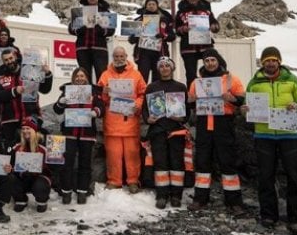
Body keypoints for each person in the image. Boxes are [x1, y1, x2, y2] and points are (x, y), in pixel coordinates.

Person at [242, 47, 297, 234]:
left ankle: (296, 217)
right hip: (263, 135)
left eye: (274, 60)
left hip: (289, 134)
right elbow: (246, 103)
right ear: (262, 63)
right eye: (267, 61)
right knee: (265, 177)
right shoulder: (254, 82)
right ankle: (268, 215)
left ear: (279, 62)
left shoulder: (291, 79)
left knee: (293, 176)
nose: (270, 63)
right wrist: (245, 109)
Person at [186, 49, 246, 215]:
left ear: (219, 61)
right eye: (207, 61)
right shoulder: (196, 82)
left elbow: (242, 99)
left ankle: (234, 202)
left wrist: (231, 98)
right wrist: (192, 100)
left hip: (223, 123)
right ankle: (200, 199)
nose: (210, 63)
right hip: (204, 123)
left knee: (227, 162)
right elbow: (189, 102)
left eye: (212, 60)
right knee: (203, 161)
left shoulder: (230, 79)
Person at [97, 47, 147, 193]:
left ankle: (133, 181)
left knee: (132, 154)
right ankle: (114, 181)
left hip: (130, 121)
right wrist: (104, 93)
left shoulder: (136, 75)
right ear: (113, 57)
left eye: (121, 56)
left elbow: (143, 94)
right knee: (113, 154)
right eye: (116, 56)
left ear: (126, 56)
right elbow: (100, 99)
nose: (119, 58)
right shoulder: (105, 75)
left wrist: (136, 105)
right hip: (112, 123)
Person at [52, 67, 105, 204]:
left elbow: (102, 107)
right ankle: (66, 192)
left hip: (87, 133)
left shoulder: (93, 91)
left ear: (86, 77)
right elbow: (57, 110)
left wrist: (95, 112)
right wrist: (61, 102)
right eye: (77, 76)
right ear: (73, 78)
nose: (79, 78)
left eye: (82, 76)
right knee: (67, 163)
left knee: (85, 163)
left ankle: (82, 191)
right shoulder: (67, 90)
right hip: (69, 133)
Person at [141, 57, 187, 208]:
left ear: (172, 68)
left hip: (176, 130)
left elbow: (187, 111)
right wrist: (149, 119)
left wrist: (182, 117)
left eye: (167, 66)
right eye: (161, 66)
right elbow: (145, 110)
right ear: (158, 69)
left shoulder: (181, 87)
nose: (165, 68)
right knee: (160, 163)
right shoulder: (151, 87)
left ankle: (176, 195)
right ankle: (161, 195)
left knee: (177, 163)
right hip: (158, 130)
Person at [0, 49, 53, 148]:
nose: (9, 61)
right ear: (3, 62)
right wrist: (14, 91)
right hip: (9, 120)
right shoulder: (0, 78)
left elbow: (45, 89)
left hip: (31, 118)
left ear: (15, 57)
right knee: (11, 151)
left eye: (11, 58)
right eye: (6, 60)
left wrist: (47, 74)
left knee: (32, 149)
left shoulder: (31, 72)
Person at [174, 0, 220, 87]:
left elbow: (215, 24)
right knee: (191, 75)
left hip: (206, 45)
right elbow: (176, 29)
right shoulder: (180, 12)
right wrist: (183, 29)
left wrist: (214, 26)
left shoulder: (207, 11)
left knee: (214, 69)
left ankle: (213, 96)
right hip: (188, 48)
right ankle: (192, 99)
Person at [69, 0, 115, 82]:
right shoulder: (79, 12)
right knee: (84, 76)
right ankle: (86, 96)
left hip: (100, 49)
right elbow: (71, 29)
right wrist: (81, 29)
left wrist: (101, 30)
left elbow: (111, 30)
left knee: (102, 75)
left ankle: (100, 96)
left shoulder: (105, 12)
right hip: (82, 49)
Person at [128, 0, 176, 83]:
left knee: (158, 79)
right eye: (149, 4)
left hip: (160, 53)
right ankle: (142, 95)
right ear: (145, 6)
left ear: (157, 6)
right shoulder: (139, 20)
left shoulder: (164, 20)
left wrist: (163, 35)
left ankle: (156, 95)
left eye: (153, 4)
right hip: (143, 54)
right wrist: (138, 34)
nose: (151, 6)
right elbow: (131, 40)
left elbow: (172, 36)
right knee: (142, 78)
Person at [10, 117, 52, 213]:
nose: (25, 131)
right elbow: (10, 164)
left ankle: (42, 201)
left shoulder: (44, 147)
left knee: (40, 185)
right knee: (10, 178)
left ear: (34, 130)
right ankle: (20, 200)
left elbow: (53, 167)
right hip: (22, 177)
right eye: (23, 129)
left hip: (39, 177)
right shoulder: (16, 147)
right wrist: (10, 168)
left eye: (28, 128)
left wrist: (58, 157)